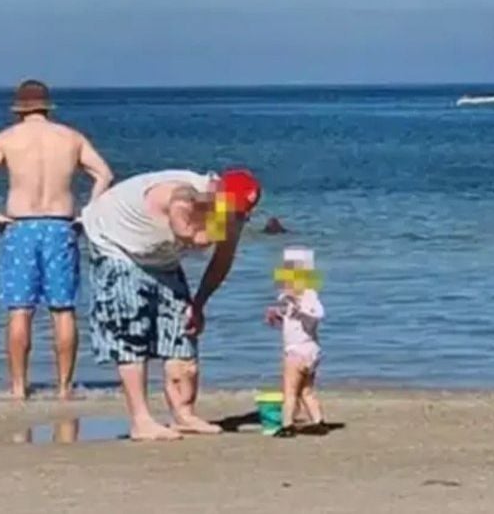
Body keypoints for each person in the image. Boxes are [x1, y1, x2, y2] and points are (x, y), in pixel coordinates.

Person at [80, 168, 260, 441]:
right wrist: (210, 231)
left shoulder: (231, 217)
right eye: (231, 210)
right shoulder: (182, 194)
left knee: (182, 328)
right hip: (115, 243)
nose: (233, 218)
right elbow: (186, 231)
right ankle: (141, 421)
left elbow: (221, 262)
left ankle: (183, 414)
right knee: (130, 329)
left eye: (240, 214)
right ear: (216, 192)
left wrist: (199, 304)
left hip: (160, 256)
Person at [0, 80, 114, 400]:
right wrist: (87, 213)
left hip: (20, 226)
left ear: (18, 109)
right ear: (47, 107)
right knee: (63, 311)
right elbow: (104, 174)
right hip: (60, 225)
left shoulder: (6, 139)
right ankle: (64, 388)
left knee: (20, 310)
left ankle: (19, 387)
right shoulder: (70, 137)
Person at [265, 246, 327, 438]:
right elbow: (291, 318)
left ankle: (287, 424)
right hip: (309, 350)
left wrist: (299, 307)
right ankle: (318, 421)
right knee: (306, 390)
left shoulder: (308, 296)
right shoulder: (290, 299)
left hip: (298, 351)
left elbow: (318, 314)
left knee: (289, 391)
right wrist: (279, 314)